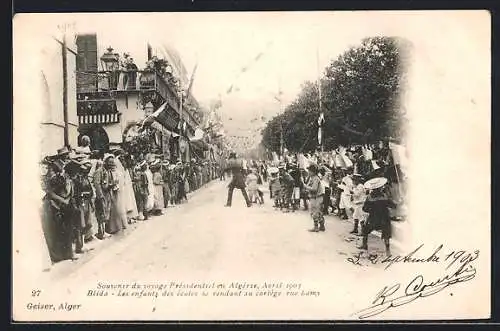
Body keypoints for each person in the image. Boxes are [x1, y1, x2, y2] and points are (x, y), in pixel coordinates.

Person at [358, 177, 397, 257]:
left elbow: (365, 209)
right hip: (384, 218)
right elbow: (393, 205)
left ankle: (364, 245)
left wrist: (371, 209)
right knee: (386, 233)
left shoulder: (369, 197)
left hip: (373, 218)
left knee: (365, 229)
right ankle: (388, 251)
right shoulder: (385, 196)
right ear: (380, 188)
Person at [303, 164, 326, 232]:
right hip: (315, 197)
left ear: (313, 171)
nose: (308, 172)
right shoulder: (312, 178)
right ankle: (321, 226)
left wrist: (305, 186)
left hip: (317, 197)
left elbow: (314, 189)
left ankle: (316, 227)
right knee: (317, 212)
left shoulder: (315, 178)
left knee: (315, 212)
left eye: (309, 171)